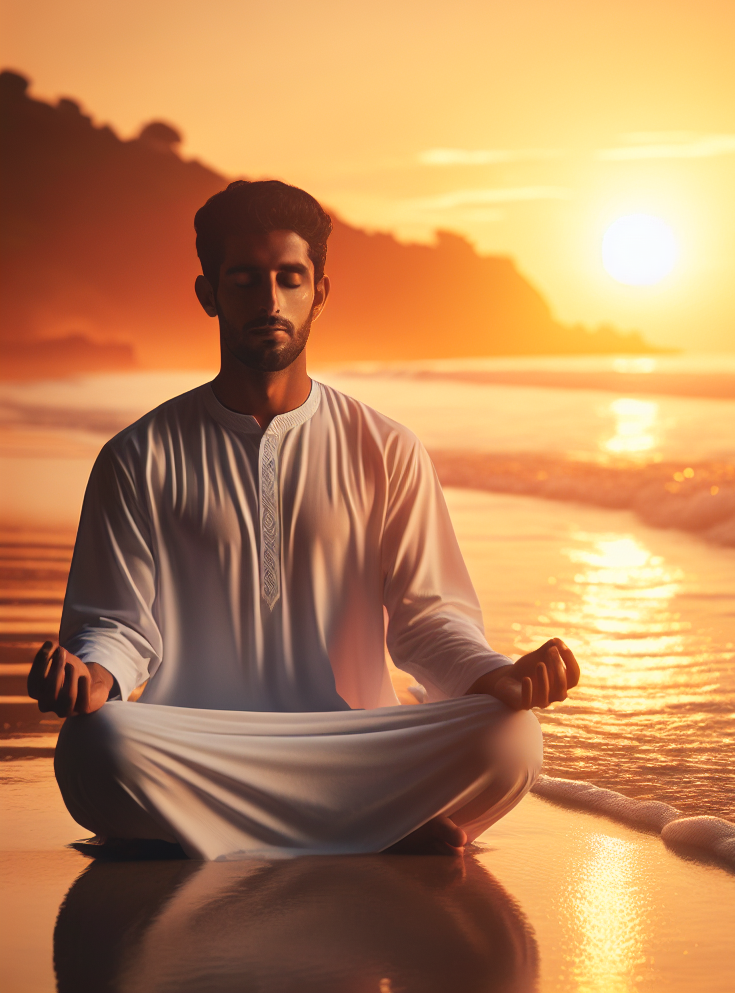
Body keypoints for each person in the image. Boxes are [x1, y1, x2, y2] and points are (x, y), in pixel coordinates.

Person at [28, 180, 579, 860]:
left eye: (290, 279)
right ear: (208, 294)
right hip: (201, 746)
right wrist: (92, 675)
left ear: (320, 290)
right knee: (96, 742)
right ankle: (383, 830)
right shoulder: (139, 456)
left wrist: (493, 674)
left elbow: (427, 618)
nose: (269, 302)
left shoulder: (387, 448)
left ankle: (203, 835)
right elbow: (116, 627)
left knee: (513, 738)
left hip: (357, 748)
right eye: (245, 280)